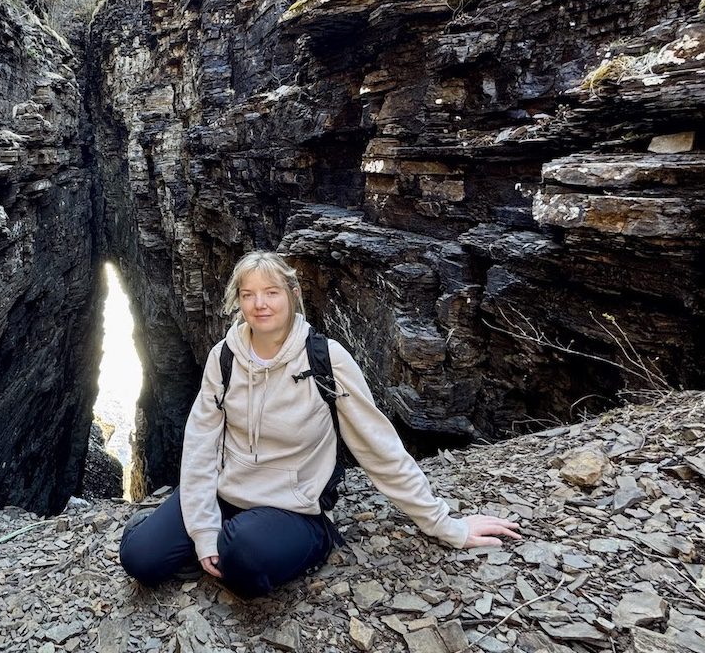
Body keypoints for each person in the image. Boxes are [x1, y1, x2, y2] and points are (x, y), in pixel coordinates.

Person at [119, 251, 520, 598]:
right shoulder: (223, 358)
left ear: (293, 296)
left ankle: (308, 542)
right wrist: (203, 530)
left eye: (272, 292)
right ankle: (218, 541)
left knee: (245, 560)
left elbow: (378, 446)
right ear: (238, 302)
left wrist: (444, 524)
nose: (260, 304)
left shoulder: (326, 359)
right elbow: (201, 444)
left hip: (294, 507)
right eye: (248, 294)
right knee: (140, 559)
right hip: (227, 495)